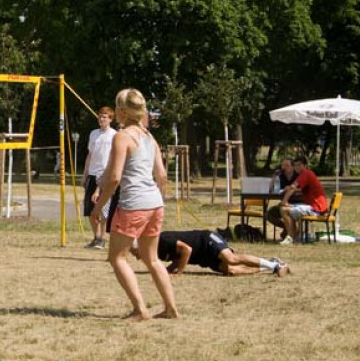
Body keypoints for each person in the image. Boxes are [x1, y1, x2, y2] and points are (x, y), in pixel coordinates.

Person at [94, 88, 178, 321]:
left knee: (117, 258)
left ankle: (140, 309)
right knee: (152, 259)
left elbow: (114, 178)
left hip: (134, 204)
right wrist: (155, 198)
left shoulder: (122, 137)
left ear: (121, 111)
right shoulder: (150, 137)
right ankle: (170, 308)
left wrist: (98, 207)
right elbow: (161, 175)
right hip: (154, 203)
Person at [137, 230, 290, 277]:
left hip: (206, 240)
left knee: (231, 258)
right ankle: (268, 266)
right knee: (231, 271)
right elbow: (178, 258)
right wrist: (168, 270)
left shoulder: (161, 240)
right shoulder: (158, 254)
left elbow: (186, 250)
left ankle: (275, 266)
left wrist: (179, 272)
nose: (137, 257)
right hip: (203, 258)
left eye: (136, 253)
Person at [83, 107, 116, 249]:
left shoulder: (114, 135)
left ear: (110, 119)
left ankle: (102, 238)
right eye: (100, 116)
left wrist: (107, 175)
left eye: (105, 117)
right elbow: (90, 154)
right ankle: (96, 237)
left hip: (105, 175)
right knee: (89, 209)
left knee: (103, 209)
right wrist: (85, 174)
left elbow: (113, 158)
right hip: (92, 173)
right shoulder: (93, 134)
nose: (101, 119)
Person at [279, 155, 328, 245]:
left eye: (299, 165)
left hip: (316, 209)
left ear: (305, 165)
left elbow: (293, 187)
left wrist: (284, 201)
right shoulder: (308, 173)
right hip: (317, 207)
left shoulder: (306, 173)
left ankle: (291, 237)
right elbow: (298, 188)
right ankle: (295, 236)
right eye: (295, 165)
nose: (297, 167)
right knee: (287, 209)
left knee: (283, 209)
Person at [265, 157, 298, 234]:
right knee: (268, 214)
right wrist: (274, 177)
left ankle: (290, 230)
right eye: (282, 165)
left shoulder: (298, 176)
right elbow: (270, 189)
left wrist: (290, 189)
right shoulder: (281, 176)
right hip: (284, 203)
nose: (284, 167)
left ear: (293, 167)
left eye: (287, 165)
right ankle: (287, 227)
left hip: (297, 203)